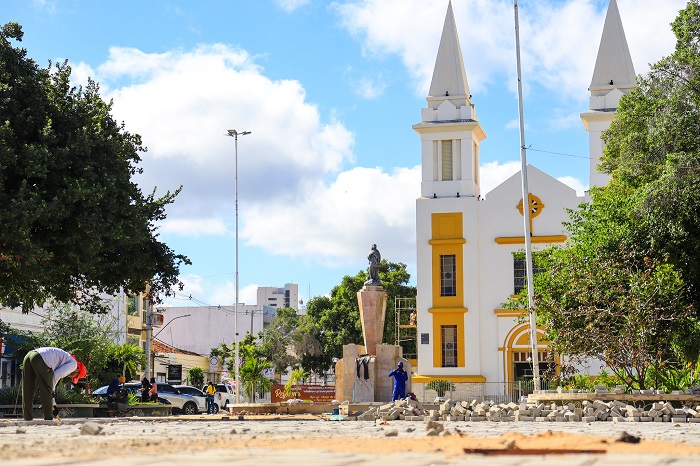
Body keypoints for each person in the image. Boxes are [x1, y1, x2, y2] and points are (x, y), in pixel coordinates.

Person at [22, 347, 86, 421]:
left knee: (28, 389)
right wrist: (52, 394)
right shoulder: (73, 365)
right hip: (40, 358)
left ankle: (27, 418)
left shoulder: (65, 358)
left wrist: (52, 401)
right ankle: (48, 418)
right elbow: (56, 375)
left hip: (29, 355)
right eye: (75, 376)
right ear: (77, 370)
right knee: (46, 388)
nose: (71, 377)